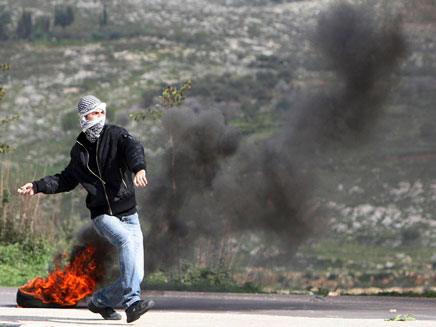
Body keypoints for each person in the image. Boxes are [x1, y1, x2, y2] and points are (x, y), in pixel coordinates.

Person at [18, 95, 154, 323]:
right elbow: (65, 179)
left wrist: (139, 168)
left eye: (102, 112)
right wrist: (38, 186)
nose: (100, 117)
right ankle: (132, 303)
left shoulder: (116, 134)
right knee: (126, 242)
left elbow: (134, 148)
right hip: (102, 214)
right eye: (95, 113)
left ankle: (101, 301)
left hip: (129, 215)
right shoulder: (79, 151)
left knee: (136, 274)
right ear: (84, 117)